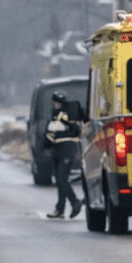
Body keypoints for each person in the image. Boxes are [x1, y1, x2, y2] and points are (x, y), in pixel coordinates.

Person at [44, 90, 83, 219]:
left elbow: (74, 128)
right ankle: (60, 209)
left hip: (67, 149)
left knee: (61, 179)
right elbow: (50, 132)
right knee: (60, 181)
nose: (54, 105)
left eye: (56, 102)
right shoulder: (54, 115)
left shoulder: (67, 113)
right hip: (57, 150)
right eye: (54, 103)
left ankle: (74, 202)